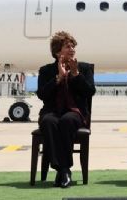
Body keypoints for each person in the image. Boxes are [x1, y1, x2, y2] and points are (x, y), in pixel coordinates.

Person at [36, 31, 96, 189]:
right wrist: (58, 78)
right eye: (67, 46)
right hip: (52, 110)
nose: (72, 49)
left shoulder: (83, 68)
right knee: (49, 121)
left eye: (73, 46)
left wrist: (76, 75)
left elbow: (90, 92)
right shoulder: (46, 70)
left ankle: (61, 170)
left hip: (75, 112)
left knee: (67, 121)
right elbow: (42, 95)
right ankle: (64, 169)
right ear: (57, 52)